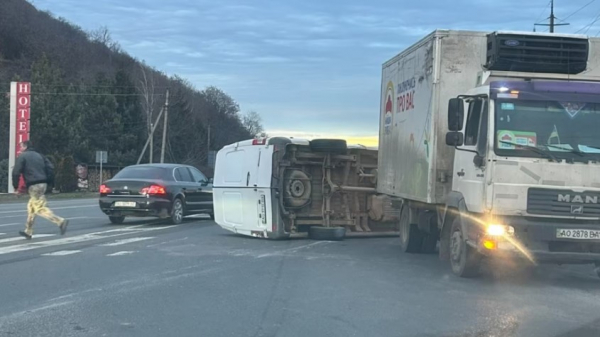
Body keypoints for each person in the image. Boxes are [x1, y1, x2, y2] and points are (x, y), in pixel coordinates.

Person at [11, 141, 68, 239]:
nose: (20, 148)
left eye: (21, 146)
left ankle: (60, 221)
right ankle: (28, 231)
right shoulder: (40, 156)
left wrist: (16, 187)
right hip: (43, 183)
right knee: (31, 207)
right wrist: (50, 182)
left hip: (34, 185)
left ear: (25, 146)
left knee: (39, 208)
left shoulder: (22, 156)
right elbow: (50, 168)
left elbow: (16, 172)